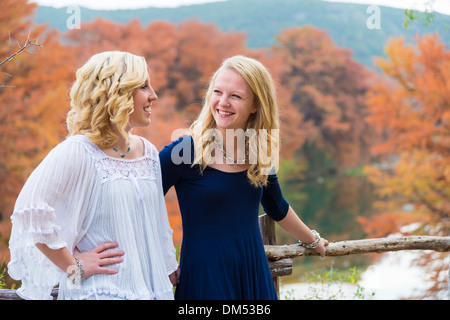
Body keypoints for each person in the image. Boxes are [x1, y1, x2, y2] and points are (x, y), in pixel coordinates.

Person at [8, 51, 178, 300]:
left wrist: (170, 270)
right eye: (143, 86)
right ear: (116, 93)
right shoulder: (78, 150)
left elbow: (158, 224)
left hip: (150, 291)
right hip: (100, 292)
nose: (154, 95)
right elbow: (30, 212)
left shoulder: (149, 152)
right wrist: (73, 266)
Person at [159, 55, 329, 300]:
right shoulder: (184, 151)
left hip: (253, 274)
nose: (223, 102)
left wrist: (312, 241)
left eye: (235, 96)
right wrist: (162, 261)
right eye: (218, 92)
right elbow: (143, 204)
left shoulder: (259, 151)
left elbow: (276, 206)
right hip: (204, 277)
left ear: (255, 105)